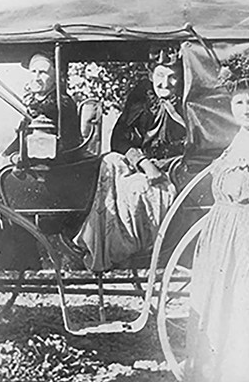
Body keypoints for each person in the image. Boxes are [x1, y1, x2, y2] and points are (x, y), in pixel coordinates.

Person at [182, 52, 249, 382]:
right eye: (239, 102)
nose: (246, 109)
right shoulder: (243, 136)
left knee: (246, 319)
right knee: (221, 317)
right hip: (227, 243)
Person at [68, 49, 186, 271]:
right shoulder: (142, 95)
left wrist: (154, 169)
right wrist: (142, 162)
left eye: (173, 77)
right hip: (143, 165)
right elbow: (120, 138)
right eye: (160, 76)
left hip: (169, 172)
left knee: (135, 188)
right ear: (151, 75)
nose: (166, 83)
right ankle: (95, 241)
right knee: (110, 161)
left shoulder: (187, 103)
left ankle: (120, 250)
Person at [4, 51, 82, 157]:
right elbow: (21, 138)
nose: (37, 78)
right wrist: (4, 155)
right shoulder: (34, 103)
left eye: (42, 72)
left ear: (55, 76)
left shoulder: (62, 103)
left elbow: (68, 143)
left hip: (56, 164)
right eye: (33, 72)